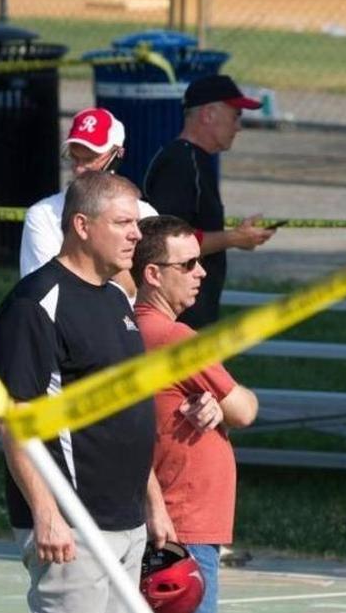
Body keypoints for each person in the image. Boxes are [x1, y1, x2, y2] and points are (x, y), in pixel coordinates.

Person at [0, 170, 172, 613]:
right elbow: (14, 417)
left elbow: (128, 409)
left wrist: (154, 503)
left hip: (126, 520)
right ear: (82, 226)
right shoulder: (35, 304)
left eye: (137, 224)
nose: (136, 235)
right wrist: (47, 513)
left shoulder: (115, 298)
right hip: (73, 523)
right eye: (123, 223)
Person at [131, 215, 259, 613]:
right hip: (182, 523)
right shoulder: (175, 339)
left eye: (199, 260)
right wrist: (222, 405)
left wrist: (212, 404)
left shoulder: (128, 328)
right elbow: (245, 409)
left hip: (163, 517)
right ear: (152, 274)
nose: (200, 272)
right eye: (186, 264)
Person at [142, 74, 277, 329]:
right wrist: (234, 239)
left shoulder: (196, 159)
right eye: (235, 116)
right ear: (209, 114)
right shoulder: (181, 164)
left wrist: (238, 236)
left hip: (192, 314)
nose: (239, 126)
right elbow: (168, 241)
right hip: (177, 320)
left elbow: (192, 231)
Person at [20, 107, 158, 299]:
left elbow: (152, 296)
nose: (79, 169)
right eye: (74, 158)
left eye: (90, 159)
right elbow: (42, 295)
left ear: (117, 155)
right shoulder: (42, 214)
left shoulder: (146, 214)